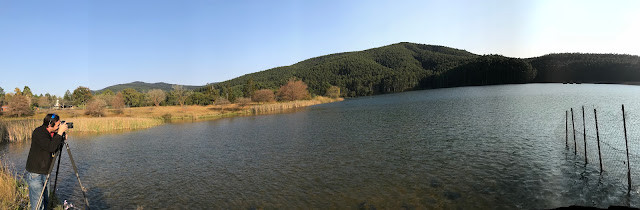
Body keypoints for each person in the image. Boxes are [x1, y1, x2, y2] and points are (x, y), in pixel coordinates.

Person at [25, 113, 68, 210]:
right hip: (35, 173)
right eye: (57, 125)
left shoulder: (52, 134)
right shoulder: (39, 132)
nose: (59, 127)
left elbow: (55, 149)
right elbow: (50, 147)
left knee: (46, 200)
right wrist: (60, 133)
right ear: (49, 125)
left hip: (45, 171)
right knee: (38, 202)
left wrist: (60, 139)